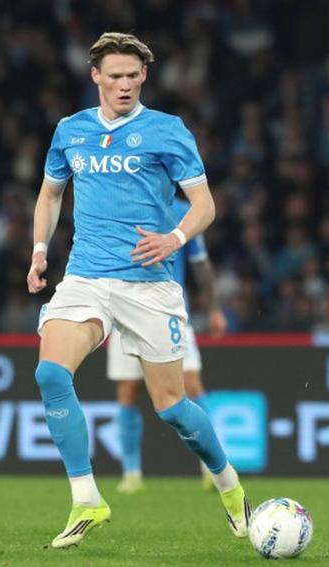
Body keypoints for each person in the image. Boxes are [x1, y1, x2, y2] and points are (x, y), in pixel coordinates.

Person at [27, 32, 250, 550]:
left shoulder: (168, 131)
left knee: (171, 406)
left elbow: (205, 206)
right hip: (85, 276)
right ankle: (87, 497)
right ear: (96, 78)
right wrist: (40, 251)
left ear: (144, 76)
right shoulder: (70, 131)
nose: (124, 84)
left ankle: (228, 483)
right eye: (116, 76)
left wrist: (173, 238)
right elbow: (49, 193)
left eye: (133, 75)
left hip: (149, 284)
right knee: (49, 373)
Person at [110, 196, 228, 495]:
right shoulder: (121, 204)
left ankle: (211, 467)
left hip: (172, 311)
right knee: (128, 391)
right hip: (124, 310)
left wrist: (213, 308)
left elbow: (201, 265)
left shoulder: (184, 212)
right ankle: (132, 472)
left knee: (191, 385)